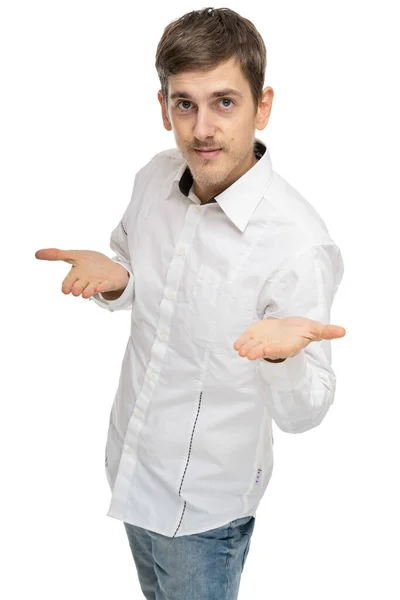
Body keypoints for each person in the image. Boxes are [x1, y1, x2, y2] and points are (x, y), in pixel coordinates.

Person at [35, 7, 346, 600]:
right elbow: (144, 282)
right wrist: (116, 281)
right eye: (186, 104)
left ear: (264, 105)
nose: (202, 128)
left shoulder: (298, 244)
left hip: (206, 509)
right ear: (163, 107)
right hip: (130, 467)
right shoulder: (154, 179)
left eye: (225, 102)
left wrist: (282, 356)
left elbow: (307, 414)